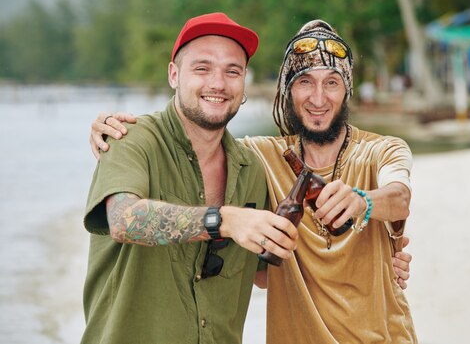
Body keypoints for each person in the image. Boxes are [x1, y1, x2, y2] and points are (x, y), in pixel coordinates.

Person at [92, 20, 417, 343]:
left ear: (347, 89)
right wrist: (106, 131)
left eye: (332, 82)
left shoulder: (377, 149)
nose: (319, 98)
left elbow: (399, 196)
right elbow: (123, 218)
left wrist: (364, 204)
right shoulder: (259, 158)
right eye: (305, 81)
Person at [81, 12, 302, 344]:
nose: (218, 83)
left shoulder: (252, 169)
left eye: (232, 71)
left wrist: (378, 256)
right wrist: (223, 220)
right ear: (174, 75)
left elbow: (265, 274)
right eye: (202, 68)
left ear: (244, 82)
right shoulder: (129, 138)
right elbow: (123, 220)